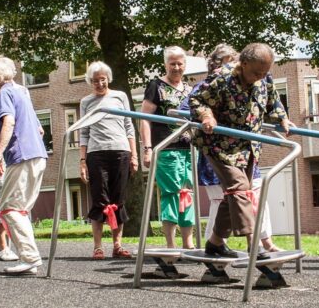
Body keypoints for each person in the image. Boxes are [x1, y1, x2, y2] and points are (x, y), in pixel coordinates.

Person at [189, 43, 293, 258]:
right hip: (219, 145)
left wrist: (283, 119)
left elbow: (273, 103)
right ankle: (254, 244)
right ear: (243, 64)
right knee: (240, 189)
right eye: (256, 72)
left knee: (234, 196)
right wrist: (207, 116)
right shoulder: (222, 78)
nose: (260, 76)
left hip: (247, 146)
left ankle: (215, 243)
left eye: (265, 72)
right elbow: (196, 100)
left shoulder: (265, 78)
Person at [0, 56, 50, 274]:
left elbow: (9, 122)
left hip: (22, 156)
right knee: (20, 210)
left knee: (8, 209)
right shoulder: (22, 91)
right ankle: (28, 258)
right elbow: (40, 130)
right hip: (38, 154)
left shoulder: (5, 92)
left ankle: (30, 258)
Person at [78, 61, 139, 259]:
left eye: (102, 80)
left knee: (118, 199)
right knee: (99, 199)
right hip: (96, 153)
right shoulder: (86, 102)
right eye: (95, 81)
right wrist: (82, 161)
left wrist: (134, 155)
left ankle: (117, 245)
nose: (99, 84)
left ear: (108, 79)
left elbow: (129, 126)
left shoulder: (120, 97)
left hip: (121, 151)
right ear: (90, 82)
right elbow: (83, 132)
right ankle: (98, 247)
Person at [142, 46, 196, 249]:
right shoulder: (156, 86)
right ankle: (171, 244)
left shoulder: (190, 90)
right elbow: (145, 119)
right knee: (171, 193)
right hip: (166, 148)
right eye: (172, 63)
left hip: (189, 149)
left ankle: (188, 242)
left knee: (187, 192)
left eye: (179, 63)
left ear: (185, 64)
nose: (176, 67)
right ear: (165, 64)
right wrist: (147, 149)